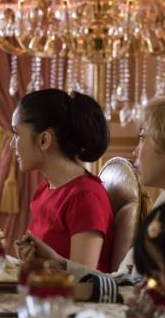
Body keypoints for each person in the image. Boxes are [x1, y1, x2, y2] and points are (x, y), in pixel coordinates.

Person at [20, 93, 165, 302]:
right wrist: (59, 264)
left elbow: (157, 298)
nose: (134, 151)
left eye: (142, 138)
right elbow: (127, 281)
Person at [11, 89, 113, 271]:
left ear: (44, 140)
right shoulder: (44, 190)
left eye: (17, 134)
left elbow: (84, 278)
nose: (12, 144)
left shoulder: (86, 197)